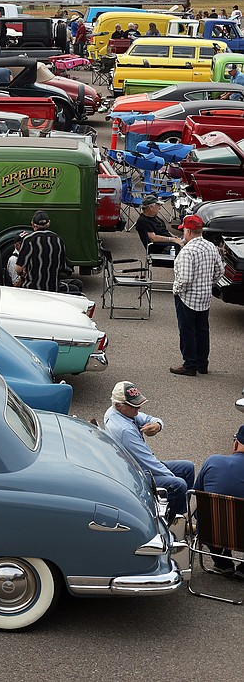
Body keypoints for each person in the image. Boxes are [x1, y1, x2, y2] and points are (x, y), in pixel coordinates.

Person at [102, 381, 194, 522]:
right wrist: (172, 477)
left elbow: (148, 418)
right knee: (179, 484)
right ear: (119, 405)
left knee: (187, 467)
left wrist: (158, 425)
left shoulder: (117, 411)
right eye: (134, 405)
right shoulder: (125, 431)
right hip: (136, 475)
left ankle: (180, 511)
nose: (138, 407)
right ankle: (174, 524)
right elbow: (149, 461)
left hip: (137, 465)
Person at [171, 214, 225, 376]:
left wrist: (177, 289)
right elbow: (220, 270)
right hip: (204, 296)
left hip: (187, 297)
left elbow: (185, 279)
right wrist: (209, 282)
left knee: (187, 330)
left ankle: (190, 364)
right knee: (202, 330)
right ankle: (202, 364)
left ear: (188, 231)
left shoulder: (187, 251)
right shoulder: (211, 247)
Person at [194, 424, 244, 576]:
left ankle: (222, 562)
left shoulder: (213, 461)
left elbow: (197, 492)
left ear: (235, 443)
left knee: (209, 511)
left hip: (212, 531)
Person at [14, 210, 68, 292]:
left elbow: (18, 268)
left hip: (32, 289)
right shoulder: (58, 240)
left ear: (32, 224)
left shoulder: (29, 240)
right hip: (53, 289)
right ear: (49, 223)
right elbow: (62, 267)